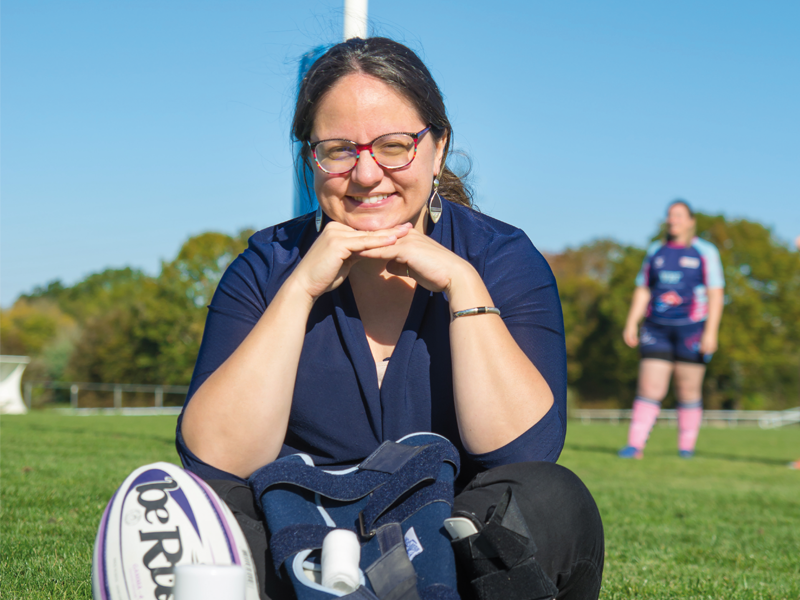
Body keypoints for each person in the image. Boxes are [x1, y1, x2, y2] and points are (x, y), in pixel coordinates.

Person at [176, 37, 604, 599]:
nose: (367, 174)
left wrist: (461, 285)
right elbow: (216, 461)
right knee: (202, 519)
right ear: (310, 157)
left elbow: (522, 453)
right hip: (298, 532)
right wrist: (300, 290)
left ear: (438, 148)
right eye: (338, 150)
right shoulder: (267, 264)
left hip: (450, 539)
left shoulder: (501, 258)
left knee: (553, 500)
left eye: (395, 145)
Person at [619, 200, 725, 459]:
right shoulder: (656, 250)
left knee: (688, 390)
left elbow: (716, 294)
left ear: (691, 221)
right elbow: (643, 288)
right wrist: (632, 321)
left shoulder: (705, 252)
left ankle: (686, 449)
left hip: (692, 330)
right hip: (656, 328)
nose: (672, 219)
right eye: (669, 215)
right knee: (649, 388)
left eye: (678, 215)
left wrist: (711, 332)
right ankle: (635, 446)